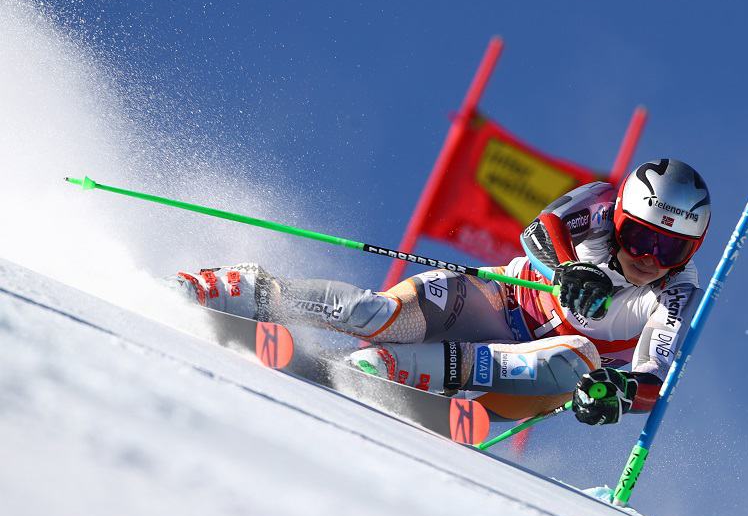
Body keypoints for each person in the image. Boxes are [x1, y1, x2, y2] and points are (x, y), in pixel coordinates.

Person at [174, 158, 709, 425]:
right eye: (640, 236)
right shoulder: (599, 203)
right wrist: (569, 270)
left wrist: (614, 392)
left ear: (691, 252)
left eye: (671, 250)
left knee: (579, 357)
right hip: (501, 301)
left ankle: (381, 371)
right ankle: (249, 290)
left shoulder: (677, 294)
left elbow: (652, 381)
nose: (648, 258)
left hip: (527, 377)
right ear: (621, 218)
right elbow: (539, 230)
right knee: (382, 312)